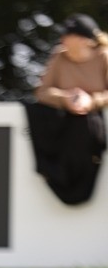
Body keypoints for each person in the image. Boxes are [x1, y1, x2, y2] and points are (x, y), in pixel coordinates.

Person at [26, 14, 108, 204]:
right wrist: (66, 99)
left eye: (69, 36)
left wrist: (91, 101)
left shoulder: (104, 57)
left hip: (92, 128)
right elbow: (42, 92)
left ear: (84, 40)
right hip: (63, 127)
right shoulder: (59, 56)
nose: (63, 40)